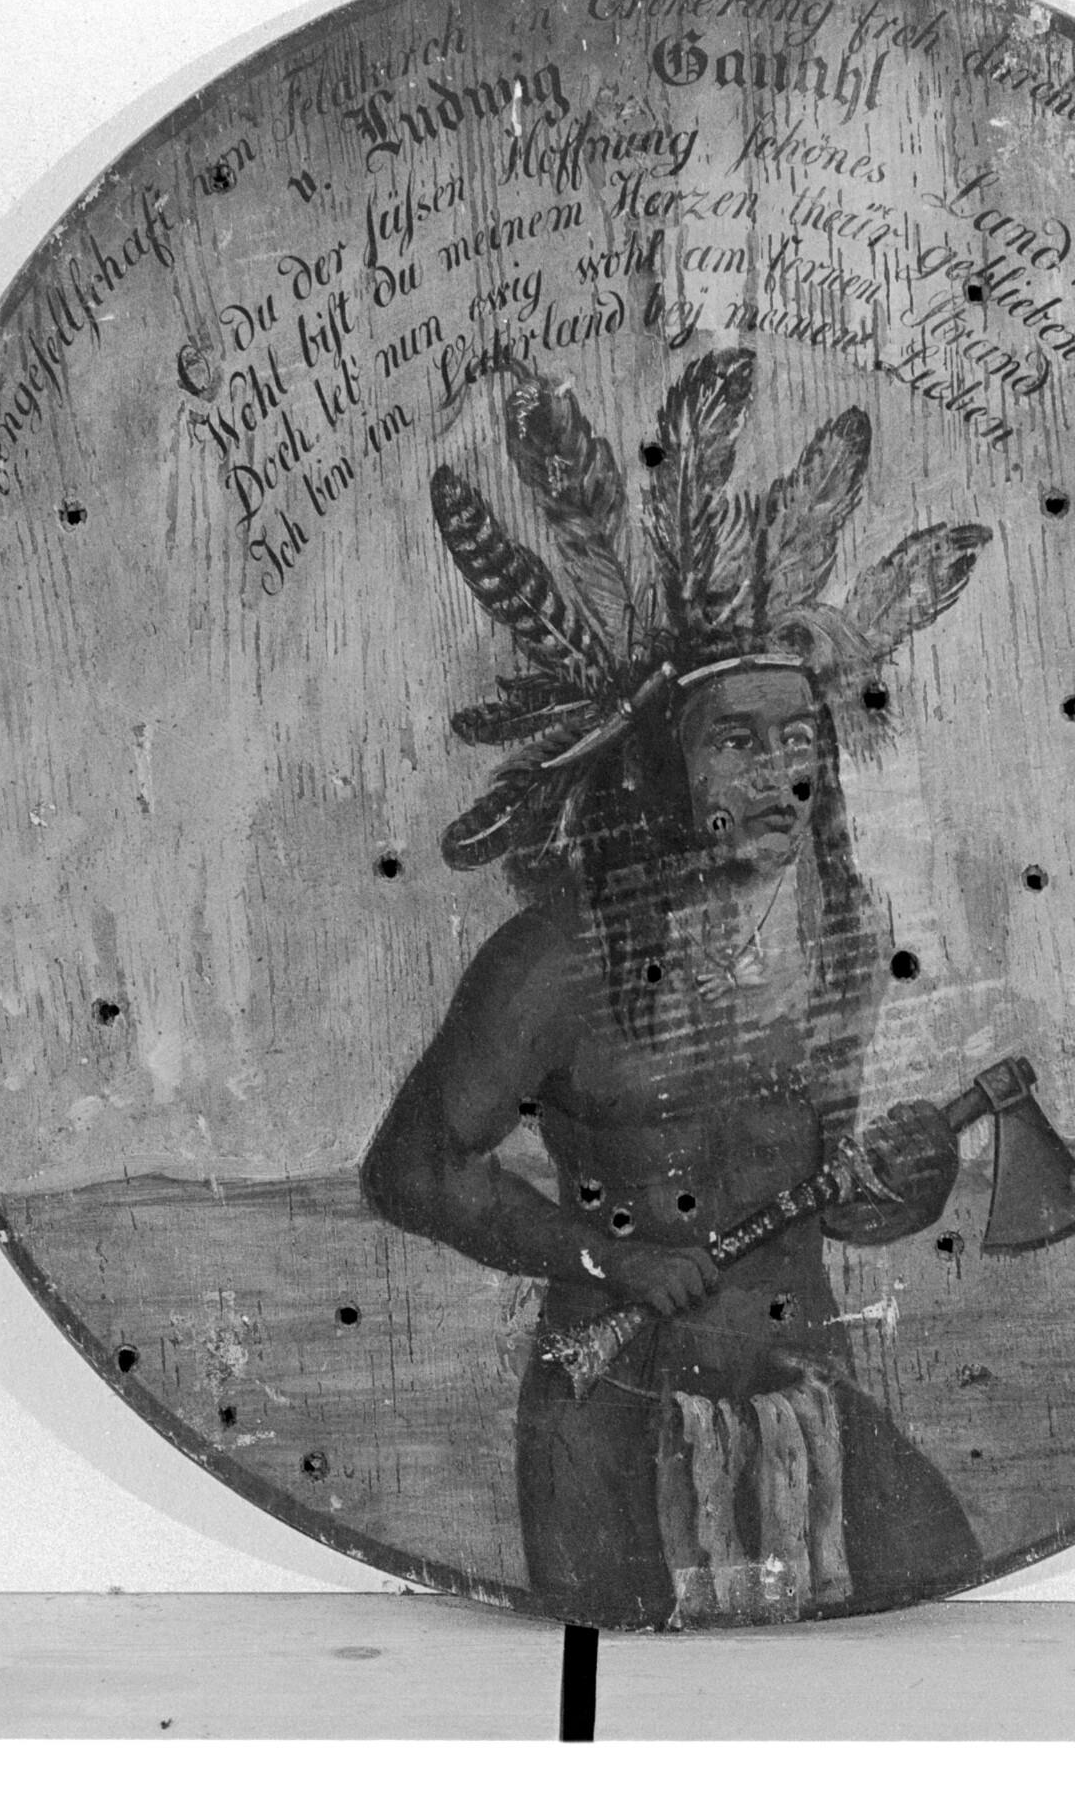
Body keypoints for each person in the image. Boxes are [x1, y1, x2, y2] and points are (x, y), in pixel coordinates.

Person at [361, 349, 990, 1626]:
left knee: (936, 1583)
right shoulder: (558, 960)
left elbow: (816, 1187)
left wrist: (898, 1184)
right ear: (659, 772)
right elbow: (411, 1170)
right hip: (618, 1422)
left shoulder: (840, 931)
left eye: (799, 742)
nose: (780, 777)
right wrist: (606, 1253)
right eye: (738, 743)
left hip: (801, 1395)